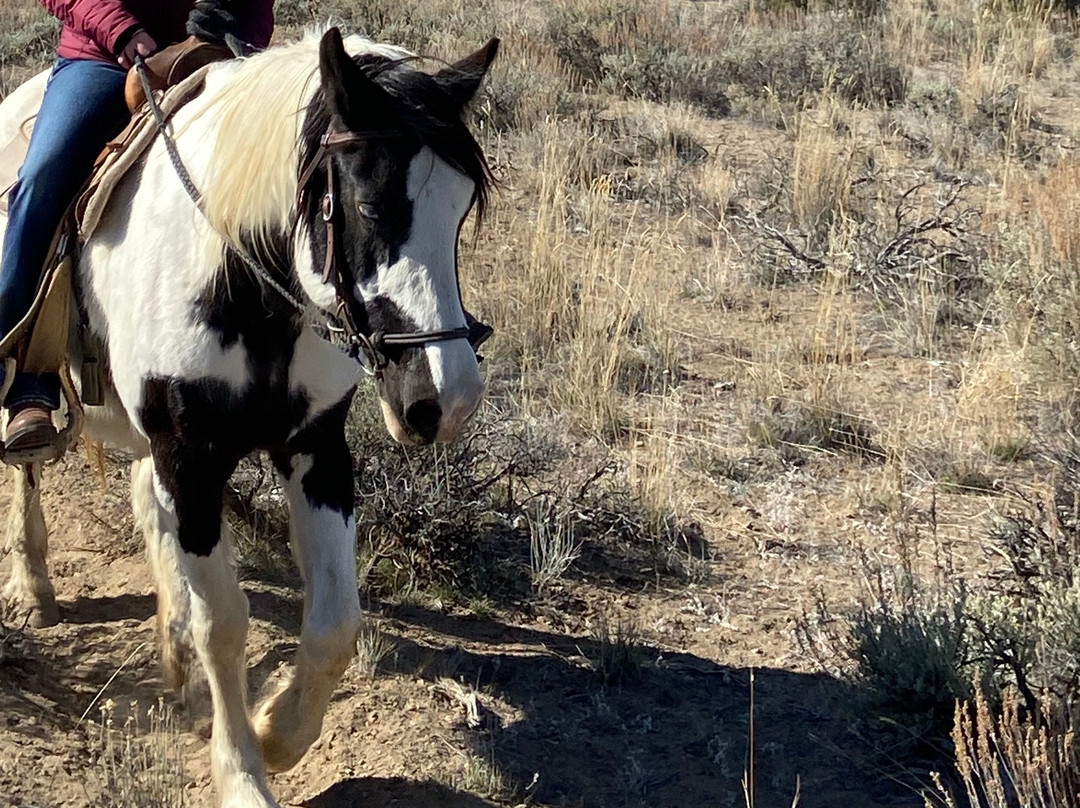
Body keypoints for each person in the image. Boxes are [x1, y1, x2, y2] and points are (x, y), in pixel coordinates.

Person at [0, 0, 273, 456]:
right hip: (104, 59)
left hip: (213, 54)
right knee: (42, 176)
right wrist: (123, 31)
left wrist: (234, 30)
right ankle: (25, 381)